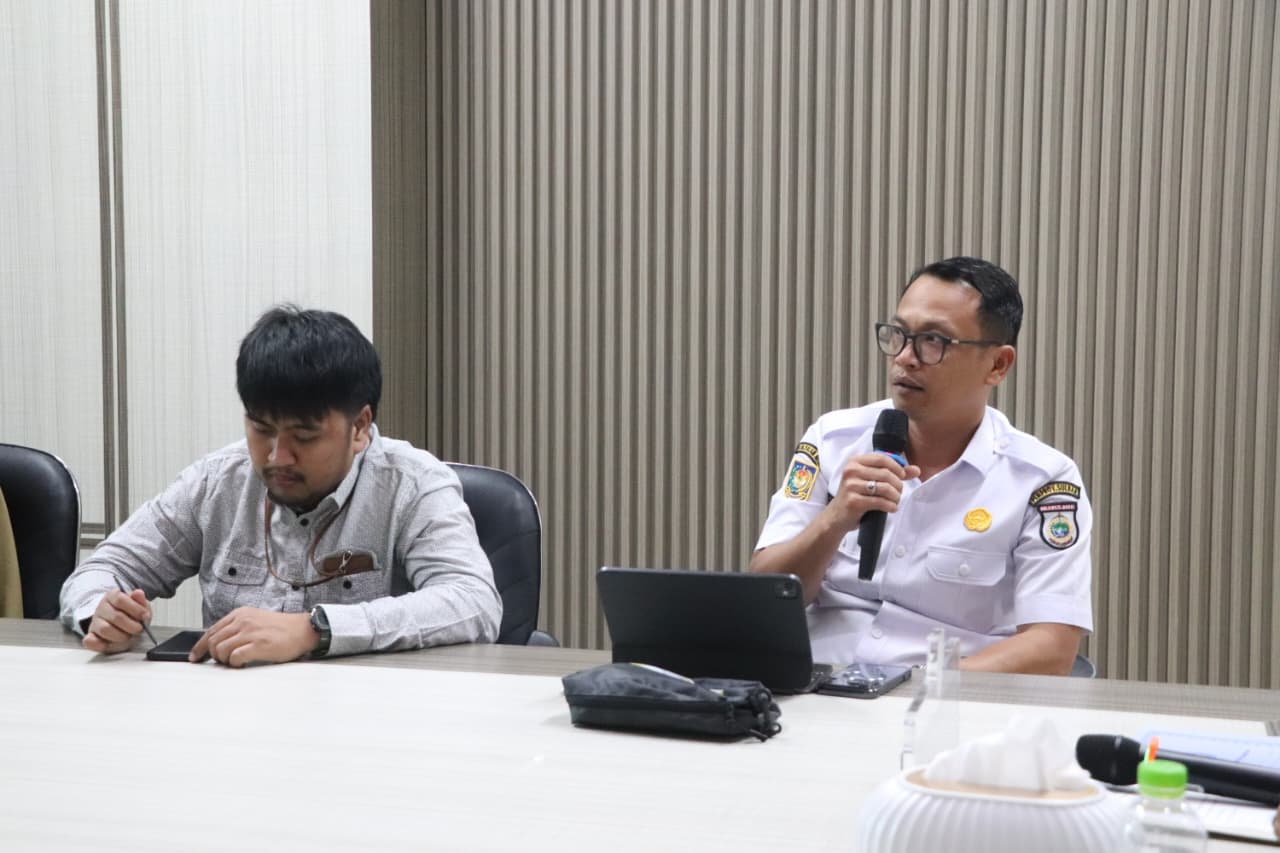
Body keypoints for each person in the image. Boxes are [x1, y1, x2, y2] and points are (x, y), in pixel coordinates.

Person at [59, 306, 502, 666]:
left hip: (370, 717)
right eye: (261, 429)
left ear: (360, 427)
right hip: (234, 718)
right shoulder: (218, 482)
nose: (277, 457)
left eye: (304, 436)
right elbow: (103, 570)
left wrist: (316, 629)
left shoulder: (412, 484)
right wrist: (100, 611)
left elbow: (474, 602)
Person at [750, 257, 1092, 675]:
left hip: (945, 698)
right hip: (815, 687)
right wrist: (834, 520)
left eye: (934, 341)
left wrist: (919, 691)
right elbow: (764, 598)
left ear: (997, 365)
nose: (905, 358)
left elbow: (1051, 649)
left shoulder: (1041, 480)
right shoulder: (832, 439)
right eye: (899, 334)